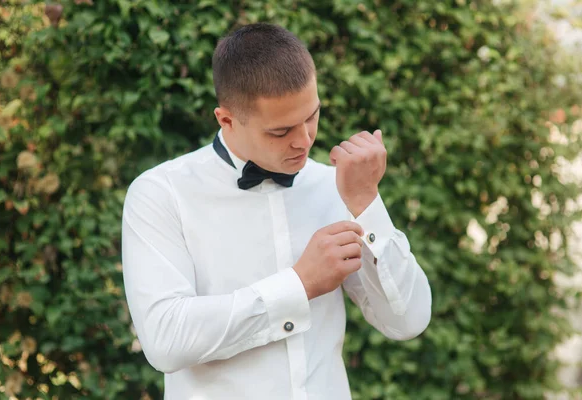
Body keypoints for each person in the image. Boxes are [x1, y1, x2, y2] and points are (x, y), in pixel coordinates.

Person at [121, 22, 432, 400]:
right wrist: (298, 284)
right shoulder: (161, 194)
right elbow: (166, 339)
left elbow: (407, 321)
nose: (304, 141)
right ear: (227, 120)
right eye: (281, 131)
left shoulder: (335, 188)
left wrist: (368, 204)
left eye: (312, 117)